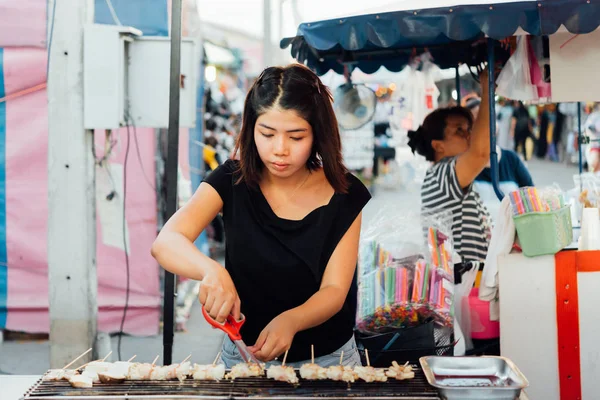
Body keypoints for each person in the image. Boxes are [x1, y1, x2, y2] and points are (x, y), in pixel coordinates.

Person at [151, 64, 371, 368]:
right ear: (251, 129)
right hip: (244, 355)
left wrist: (292, 321)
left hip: (329, 360)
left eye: (296, 137)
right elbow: (166, 242)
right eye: (267, 134)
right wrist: (212, 272)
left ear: (318, 135)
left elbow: (335, 290)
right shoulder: (231, 180)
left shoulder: (345, 193)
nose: (279, 149)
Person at [408, 69, 491, 263]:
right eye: (459, 131)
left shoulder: (444, 173)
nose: (469, 136)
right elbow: (480, 153)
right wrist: (487, 89)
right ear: (438, 146)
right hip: (461, 285)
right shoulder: (442, 176)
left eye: (469, 129)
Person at [464, 97, 534, 219]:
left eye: (485, 120)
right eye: (475, 122)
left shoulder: (511, 159)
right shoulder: (463, 165)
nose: (482, 127)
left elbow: (531, 197)